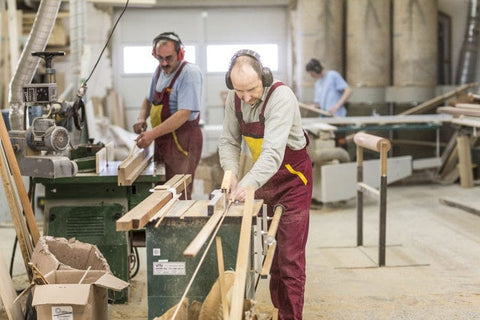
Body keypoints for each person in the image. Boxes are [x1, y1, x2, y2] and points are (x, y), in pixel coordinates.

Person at [218, 49, 312, 320]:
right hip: (265, 179)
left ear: (264, 77)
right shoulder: (235, 99)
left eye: (251, 89)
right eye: (239, 91)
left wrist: (246, 186)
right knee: (273, 255)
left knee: (290, 258)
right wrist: (231, 173)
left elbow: (272, 154)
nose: (246, 98)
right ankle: (277, 311)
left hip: (294, 181)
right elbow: (228, 141)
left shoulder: (280, 97)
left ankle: (291, 317)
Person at [133, 32, 203, 199]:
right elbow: (148, 100)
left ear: (180, 54)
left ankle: (180, 224)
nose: (164, 63)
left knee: (178, 192)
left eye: (169, 58)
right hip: (163, 139)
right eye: (160, 58)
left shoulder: (189, 74)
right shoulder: (159, 71)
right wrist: (141, 118)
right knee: (161, 188)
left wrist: (151, 134)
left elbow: (183, 114)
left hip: (183, 141)